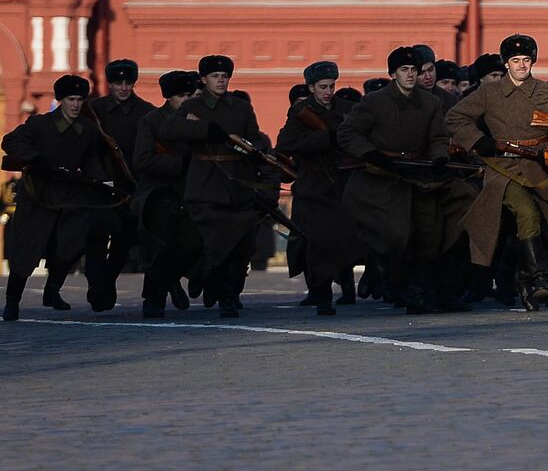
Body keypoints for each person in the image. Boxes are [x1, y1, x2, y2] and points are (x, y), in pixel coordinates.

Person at [446, 34, 548, 311]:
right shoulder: (489, 92)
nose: (521, 66)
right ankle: (539, 277)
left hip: (538, 167)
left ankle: (529, 278)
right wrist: (477, 141)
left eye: (526, 60)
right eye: (515, 61)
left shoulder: (544, 93)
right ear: (507, 64)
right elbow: (456, 117)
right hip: (502, 169)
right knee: (526, 212)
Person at [337, 46, 459, 314]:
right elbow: (348, 133)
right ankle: (386, 273)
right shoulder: (374, 102)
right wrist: (372, 155)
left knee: (429, 233)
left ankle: (416, 292)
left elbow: (437, 137)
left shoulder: (430, 103)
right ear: (393, 73)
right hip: (382, 178)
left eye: (414, 70)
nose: (411, 75)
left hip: (419, 176)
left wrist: (439, 157)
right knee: (396, 234)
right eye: (404, 70)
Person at [160, 54, 272, 318]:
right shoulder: (194, 106)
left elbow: (253, 136)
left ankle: (229, 294)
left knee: (241, 246)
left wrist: (257, 151)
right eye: (214, 77)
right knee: (216, 243)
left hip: (237, 184)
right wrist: (207, 131)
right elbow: (170, 130)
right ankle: (225, 297)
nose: (220, 81)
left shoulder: (240, 107)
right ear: (204, 79)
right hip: (206, 184)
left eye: (224, 77)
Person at [2, 75, 111, 321]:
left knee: (70, 245)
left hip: (70, 196)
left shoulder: (88, 130)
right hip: (39, 195)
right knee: (27, 250)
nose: (75, 104)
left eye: (79, 100)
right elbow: (9, 140)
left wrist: (102, 182)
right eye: (70, 99)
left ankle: (52, 291)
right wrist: (35, 159)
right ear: (60, 100)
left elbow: (91, 159)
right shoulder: (39, 124)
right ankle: (12, 301)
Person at [276, 61, 361, 316]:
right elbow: (286, 143)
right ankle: (322, 295)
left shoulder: (346, 109)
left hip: (341, 184)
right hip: (312, 188)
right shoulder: (301, 112)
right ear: (311, 87)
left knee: (346, 238)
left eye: (331, 86)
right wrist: (325, 138)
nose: (328, 91)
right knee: (316, 243)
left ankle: (347, 286)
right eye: (322, 87)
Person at [131, 71, 203, 318]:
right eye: (181, 96)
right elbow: (142, 159)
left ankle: (171, 279)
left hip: (191, 193)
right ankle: (153, 300)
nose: (187, 100)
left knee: (193, 243)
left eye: (190, 95)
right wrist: (181, 164)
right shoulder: (151, 121)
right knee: (158, 247)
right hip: (157, 195)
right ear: (168, 97)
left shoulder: (198, 118)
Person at [84, 58, 154, 310]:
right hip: (98, 187)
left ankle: (106, 282)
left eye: (128, 83)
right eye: (118, 83)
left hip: (131, 186)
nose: (123, 88)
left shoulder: (147, 112)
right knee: (96, 239)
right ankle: (97, 285)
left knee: (123, 241)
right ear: (109, 84)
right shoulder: (93, 111)